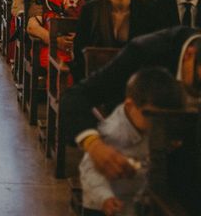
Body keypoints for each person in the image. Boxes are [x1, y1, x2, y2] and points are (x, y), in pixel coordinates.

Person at [61, 27, 200, 182]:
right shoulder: (145, 52)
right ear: (189, 54)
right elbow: (75, 97)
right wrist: (94, 144)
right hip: (139, 155)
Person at [79, 68, 185, 216]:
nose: (157, 125)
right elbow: (89, 169)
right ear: (130, 106)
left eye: (163, 119)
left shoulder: (151, 126)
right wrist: (105, 197)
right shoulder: (112, 131)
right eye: (151, 117)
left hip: (136, 200)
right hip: (103, 204)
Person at [73, 0, 152, 82]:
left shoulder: (146, 10)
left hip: (135, 79)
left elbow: (151, 51)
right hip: (98, 77)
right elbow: (80, 50)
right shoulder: (90, 10)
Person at [27, 0, 85, 71]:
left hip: (74, 48)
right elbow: (32, 27)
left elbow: (86, 26)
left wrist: (77, 38)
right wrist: (56, 41)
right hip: (47, 47)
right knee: (58, 66)